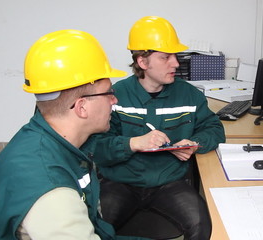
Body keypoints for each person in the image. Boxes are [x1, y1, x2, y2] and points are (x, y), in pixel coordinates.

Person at [0, 29, 145, 240]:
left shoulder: (49, 137)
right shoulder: (52, 194)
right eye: (110, 92)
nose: (114, 101)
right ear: (81, 107)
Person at [82, 16, 226, 239]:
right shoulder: (115, 97)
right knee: (94, 230)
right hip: (120, 183)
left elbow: (214, 128)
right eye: (166, 57)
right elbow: (96, 148)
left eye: (175, 56)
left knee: (203, 225)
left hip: (170, 184)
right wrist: (132, 143)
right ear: (142, 62)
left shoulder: (189, 94)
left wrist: (195, 143)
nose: (176, 63)